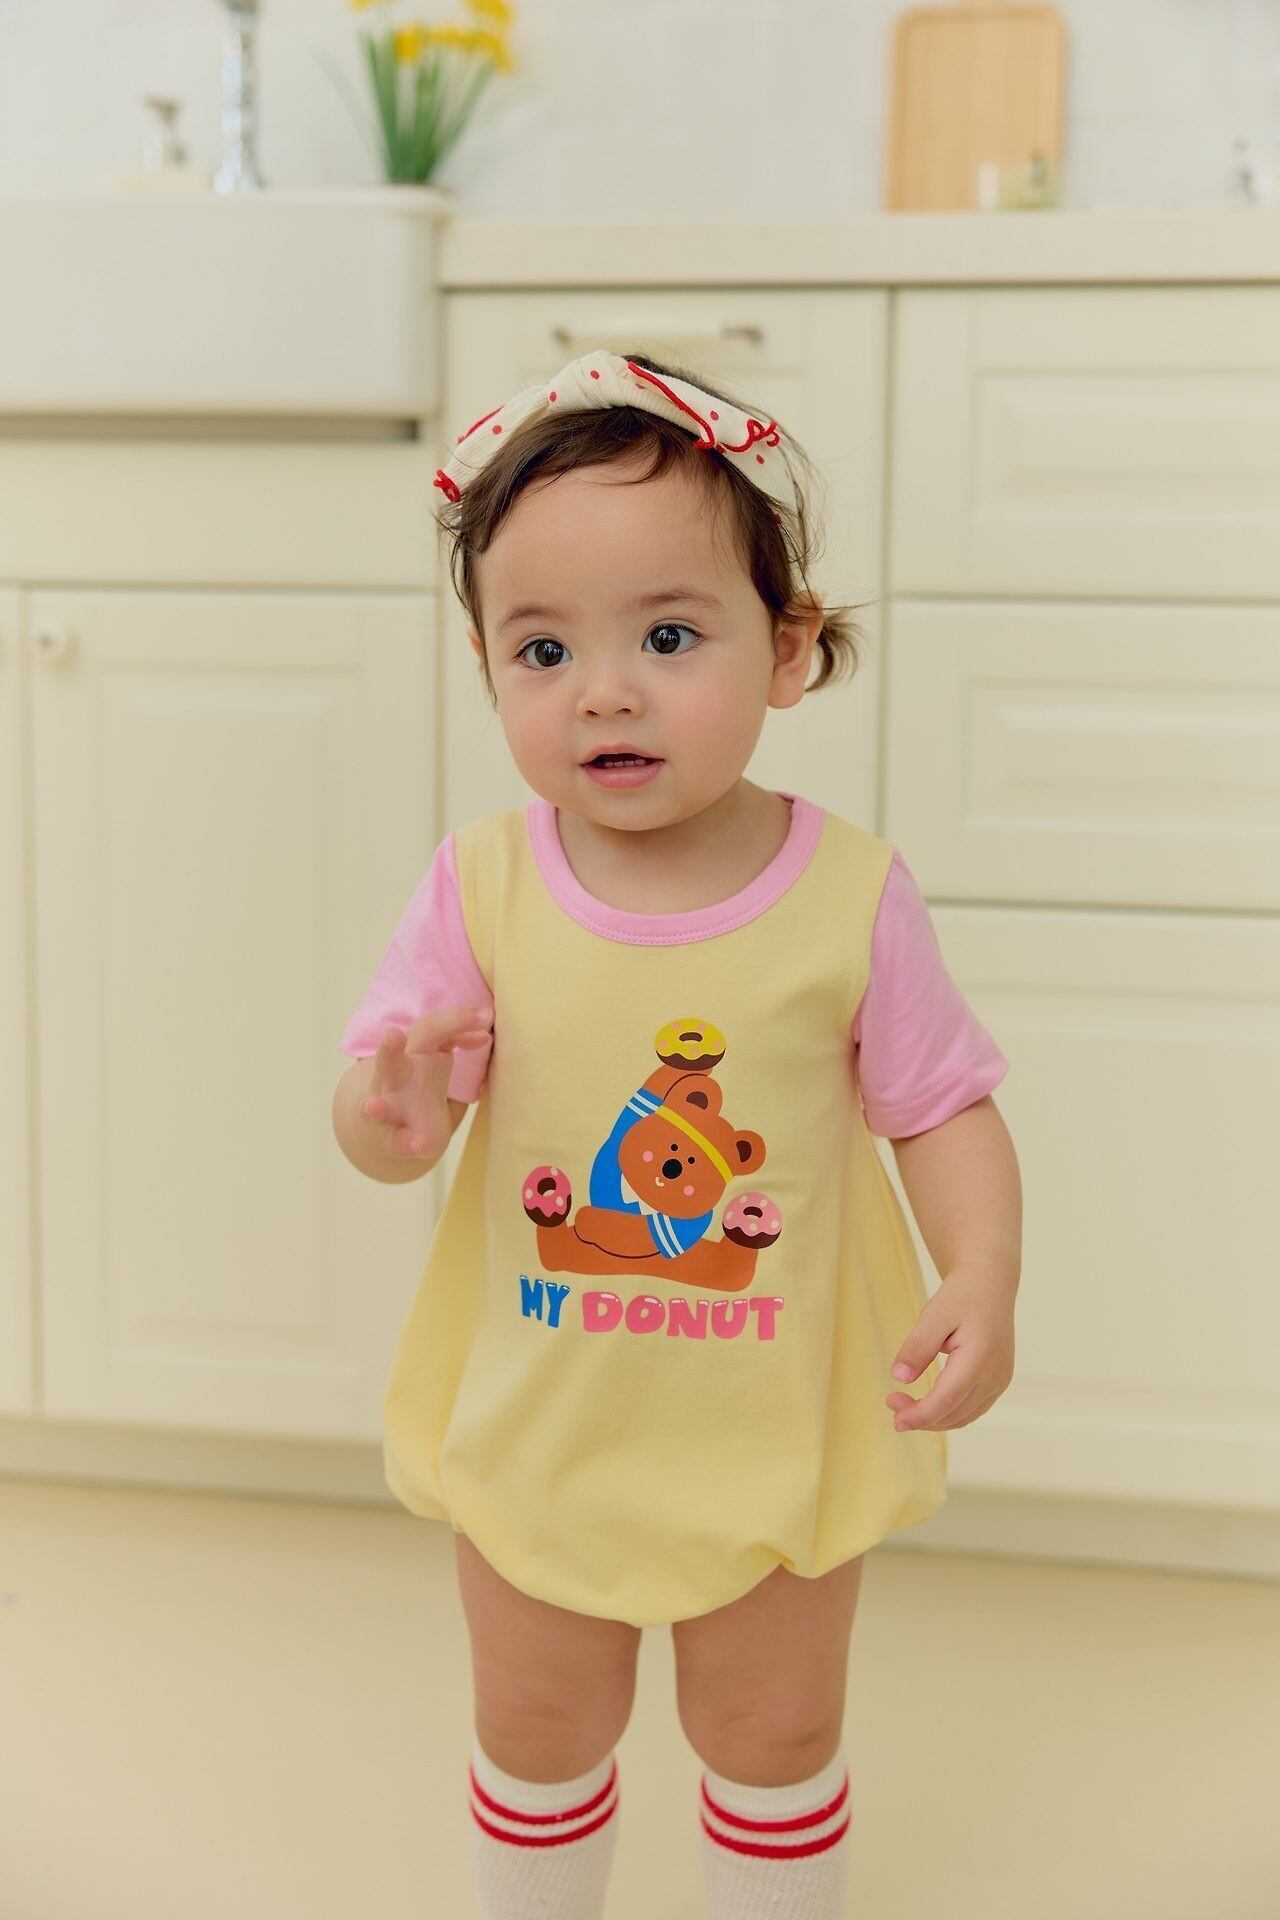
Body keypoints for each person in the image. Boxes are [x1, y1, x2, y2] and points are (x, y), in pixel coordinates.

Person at [331, 349, 1022, 1920]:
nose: (605, 689)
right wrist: (390, 1115)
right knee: (537, 1725)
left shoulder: (849, 892)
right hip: (543, 1423)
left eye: (665, 635)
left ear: (786, 651)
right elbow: (387, 1119)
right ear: (487, 666)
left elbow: (940, 1105)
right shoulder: (482, 885)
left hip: (776, 1427)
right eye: (543, 647)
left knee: (773, 1736)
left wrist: (982, 1271)